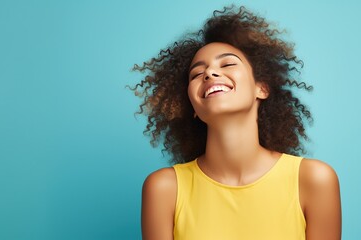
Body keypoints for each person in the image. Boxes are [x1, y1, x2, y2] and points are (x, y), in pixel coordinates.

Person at [130, 5, 341, 240]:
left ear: (261, 88)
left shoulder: (314, 180)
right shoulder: (164, 188)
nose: (209, 73)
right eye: (196, 74)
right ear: (193, 108)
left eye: (228, 64)